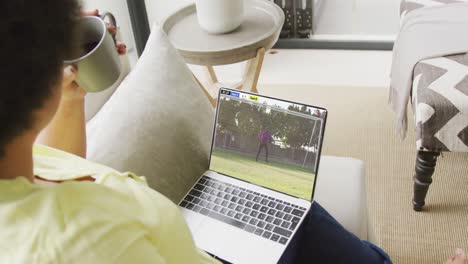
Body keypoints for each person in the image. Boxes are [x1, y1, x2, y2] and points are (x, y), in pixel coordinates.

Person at [0, 1, 464, 263]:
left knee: (282, 200)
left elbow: (56, 164)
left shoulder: (20, 172)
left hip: (199, 230)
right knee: (326, 235)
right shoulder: (94, 244)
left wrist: (73, 98)